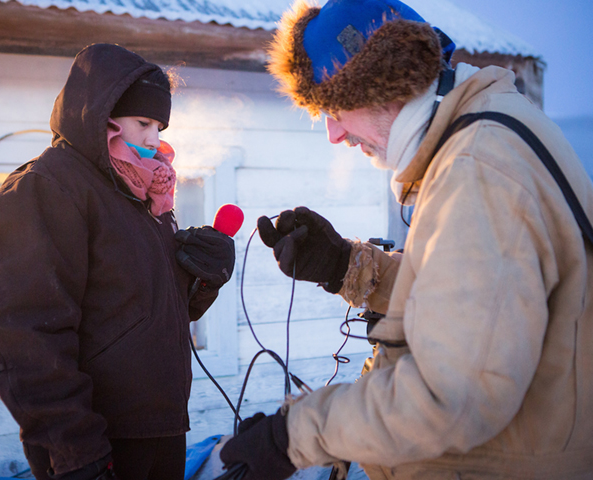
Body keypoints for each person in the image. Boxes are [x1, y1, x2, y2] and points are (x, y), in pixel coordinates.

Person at [219, 0, 593, 479]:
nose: (333, 134)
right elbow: (469, 303)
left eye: (335, 108)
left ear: (385, 82)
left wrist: (293, 434)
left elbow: (452, 395)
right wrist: (344, 266)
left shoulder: (476, 170)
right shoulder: (482, 135)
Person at [0, 43, 236, 480]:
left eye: (158, 126)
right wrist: (74, 452)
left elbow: (143, 313)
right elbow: (24, 333)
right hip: (97, 441)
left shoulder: (142, 192)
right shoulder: (49, 187)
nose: (152, 138)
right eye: (143, 122)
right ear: (99, 113)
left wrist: (202, 279)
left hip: (160, 428)